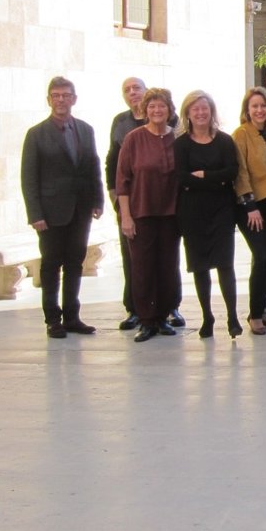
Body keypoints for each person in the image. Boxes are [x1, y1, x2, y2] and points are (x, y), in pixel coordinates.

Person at [20, 76, 103, 338]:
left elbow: (93, 166)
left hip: (81, 208)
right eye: (56, 95)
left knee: (75, 263)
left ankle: (72, 316)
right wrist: (35, 214)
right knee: (51, 265)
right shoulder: (36, 134)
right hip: (50, 212)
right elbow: (28, 178)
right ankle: (53, 319)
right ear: (49, 100)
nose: (61, 100)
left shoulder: (85, 130)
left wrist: (98, 200)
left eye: (66, 95)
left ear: (74, 99)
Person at [116, 88, 183, 342]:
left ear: (169, 109)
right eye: (152, 106)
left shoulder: (177, 138)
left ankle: (163, 316)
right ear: (145, 110)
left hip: (171, 213)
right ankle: (146, 320)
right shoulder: (133, 139)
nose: (157, 110)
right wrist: (126, 217)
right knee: (142, 269)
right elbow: (122, 181)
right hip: (141, 213)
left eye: (161, 106)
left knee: (167, 267)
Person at [174, 91, 243, 339]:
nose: (201, 113)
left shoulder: (224, 141)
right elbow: (181, 177)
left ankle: (232, 317)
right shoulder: (181, 144)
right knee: (200, 266)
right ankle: (207, 317)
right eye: (195, 109)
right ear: (188, 113)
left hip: (222, 210)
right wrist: (215, 179)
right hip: (192, 212)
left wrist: (203, 176)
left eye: (204, 108)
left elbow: (231, 172)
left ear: (211, 111)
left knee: (225, 265)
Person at [232, 87, 266, 335]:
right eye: (255, 106)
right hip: (251, 206)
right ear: (247, 110)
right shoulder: (241, 134)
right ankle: (254, 314)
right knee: (261, 256)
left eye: (263, 106)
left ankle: (264, 310)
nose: (259, 110)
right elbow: (240, 172)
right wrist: (249, 205)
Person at [106, 76, 149, 330]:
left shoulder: (165, 118)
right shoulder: (120, 122)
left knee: (163, 256)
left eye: (137, 88)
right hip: (128, 201)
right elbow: (111, 162)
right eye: (127, 90)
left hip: (158, 201)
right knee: (131, 257)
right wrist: (115, 197)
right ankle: (134, 309)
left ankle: (168, 306)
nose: (133, 93)